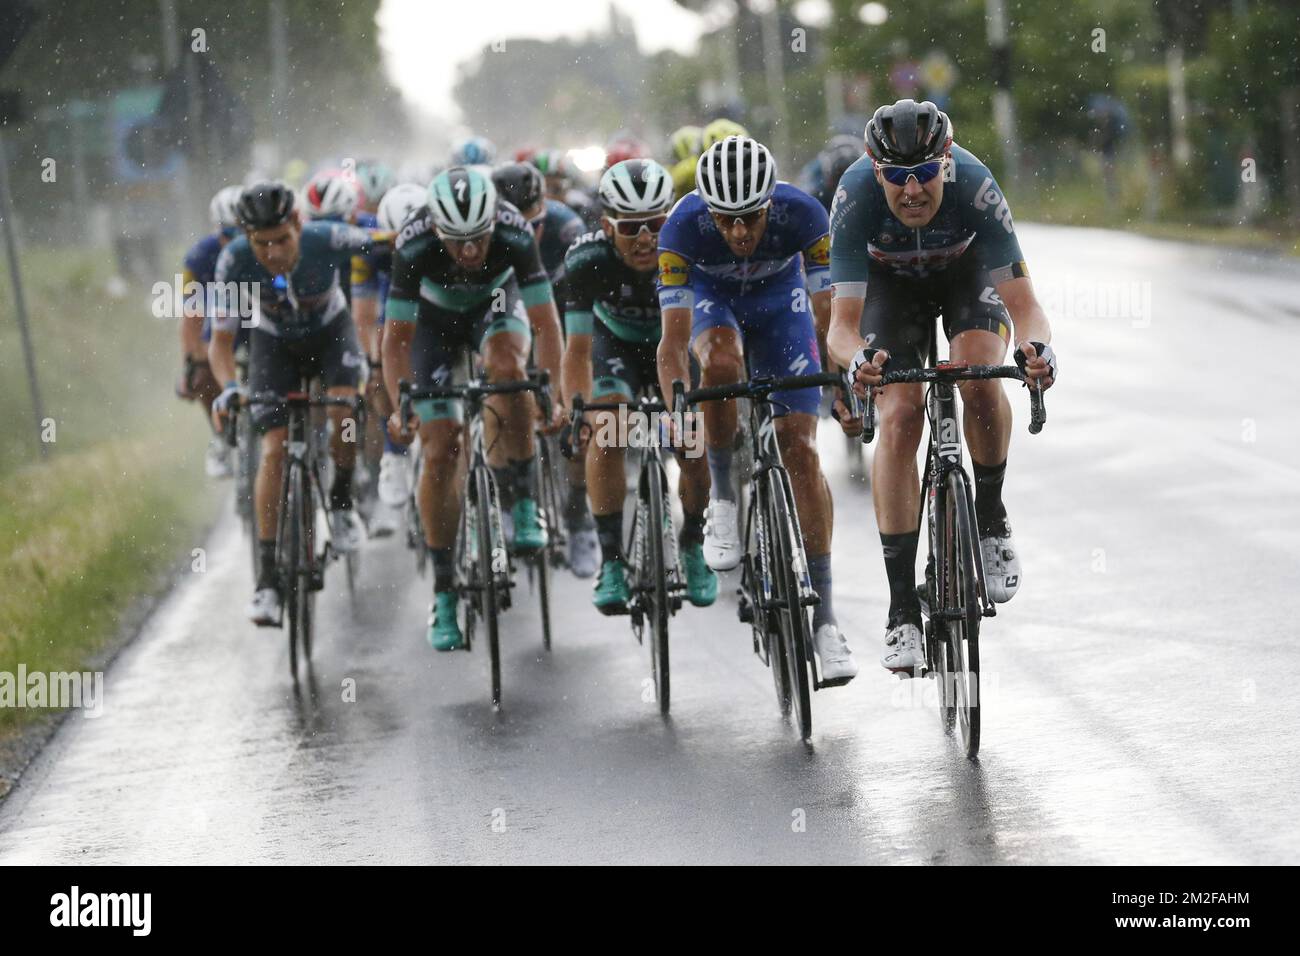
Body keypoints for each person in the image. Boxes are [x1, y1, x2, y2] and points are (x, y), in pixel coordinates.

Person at [825, 99, 1057, 675]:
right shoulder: (853, 198)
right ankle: (902, 608)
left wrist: (1039, 351)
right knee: (901, 415)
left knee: (980, 376)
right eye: (897, 179)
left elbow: (1027, 309)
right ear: (876, 171)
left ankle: (991, 517)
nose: (911, 191)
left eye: (924, 174)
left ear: (945, 162)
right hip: (890, 292)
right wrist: (857, 362)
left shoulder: (975, 185)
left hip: (965, 276)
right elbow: (841, 328)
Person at [656, 136, 858, 684]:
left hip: (781, 305)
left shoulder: (805, 214)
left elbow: (827, 317)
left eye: (752, 218)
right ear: (708, 210)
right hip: (711, 304)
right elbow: (673, 344)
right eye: (727, 220)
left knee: (802, 452)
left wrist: (841, 386)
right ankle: (723, 496)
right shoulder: (680, 228)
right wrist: (678, 405)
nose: (741, 233)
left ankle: (826, 620)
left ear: (772, 203)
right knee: (718, 364)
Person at [382, 166, 564, 650]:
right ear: (437, 228)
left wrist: (553, 392)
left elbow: (546, 324)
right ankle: (444, 591)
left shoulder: (514, 230)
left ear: (493, 224)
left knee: (510, 370)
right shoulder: (413, 241)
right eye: (456, 240)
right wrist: (402, 403)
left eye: (478, 239)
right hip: (432, 322)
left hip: (496, 302)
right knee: (441, 448)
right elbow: (396, 340)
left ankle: (523, 500)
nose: (468, 251)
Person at [209, 182, 389, 626]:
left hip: (331, 331)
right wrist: (230, 387)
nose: (272, 253)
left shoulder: (326, 237)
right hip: (273, 342)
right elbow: (221, 343)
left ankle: (343, 499)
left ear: (297, 224)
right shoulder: (233, 260)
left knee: (344, 412)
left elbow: (392, 243)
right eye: (261, 244)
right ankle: (268, 579)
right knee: (272, 449)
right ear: (247, 239)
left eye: (281, 241)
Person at [562, 159, 717, 611]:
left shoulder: (690, 249)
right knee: (608, 427)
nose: (646, 238)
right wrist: (579, 410)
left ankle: (691, 543)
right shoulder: (585, 261)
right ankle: (611, 560)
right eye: (631, 228)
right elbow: (575, 349)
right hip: (616, 346)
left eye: (656, 223)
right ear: (608, 227)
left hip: (677, 344)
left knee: (690, 439)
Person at [492, 161, 596, 576]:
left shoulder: (567, 228)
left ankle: (576, 515)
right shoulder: (492, 238)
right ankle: (507, 500)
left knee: (573, 414)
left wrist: (559, 391)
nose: (526, 237)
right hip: (509, 308)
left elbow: (578, 311)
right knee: (498, 390)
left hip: (562, 307)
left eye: (532, 225)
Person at [178, 185, 243, 478]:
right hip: (223, 318)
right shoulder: (198, 258)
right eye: (229, 234)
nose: (237, 242)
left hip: (261, 317)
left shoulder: (269, 245)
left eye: (244, 232)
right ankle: (221, 437)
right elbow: (191, 315)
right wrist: (191, 362)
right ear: (217, 230)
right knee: (203, 371)